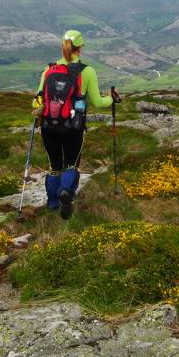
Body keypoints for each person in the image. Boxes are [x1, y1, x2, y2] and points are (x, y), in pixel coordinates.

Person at [33, 29, 121, 219]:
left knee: (54, 166)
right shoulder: (87, 71)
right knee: (71, 164)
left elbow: (37, 101)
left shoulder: (49, 70)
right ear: (79, 49)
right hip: (73, 128)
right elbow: (98, 102)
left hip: (49, 127)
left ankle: (53, 204)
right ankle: (66, 191)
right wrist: (111, 99)